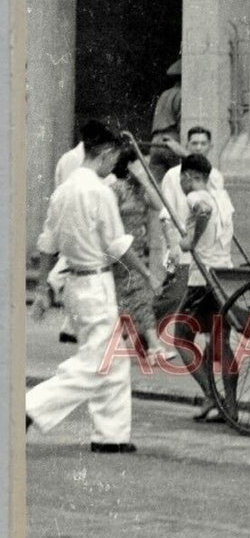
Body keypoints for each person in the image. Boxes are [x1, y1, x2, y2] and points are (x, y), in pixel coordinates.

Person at [26, 123, 164, 453]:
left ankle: (111, 434)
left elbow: (47, 243)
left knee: (113, 360)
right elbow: (118, 245)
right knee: (96, 362)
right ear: (104, 154)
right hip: (96, 282)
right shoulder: (99, 192)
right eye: (113, 157)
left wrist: (46, 287)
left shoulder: (62, 191)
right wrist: (147, 274)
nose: (113, 164)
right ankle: (29, 406)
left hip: (74, 282)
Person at [168, 153, 235, 421]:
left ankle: (211, 394)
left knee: (180, 338)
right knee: (221, 343)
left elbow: (202, 211)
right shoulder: (222, 197)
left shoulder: (196, 196)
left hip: (202, 280)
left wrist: (191, 240)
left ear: (188, 177)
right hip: (225, 277)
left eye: (181, 180)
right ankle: (231, 406)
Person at [47, 121, 111, 345]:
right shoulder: (86, 167)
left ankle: (70, 324)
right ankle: (53, 285)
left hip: (72, 218)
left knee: (73, 269)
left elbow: (59, 186)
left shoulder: (67, 159)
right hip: (86, 220)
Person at [108, 146, 168, 361]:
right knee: (137, 296)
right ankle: (152, 345)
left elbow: (158, 204)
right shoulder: (117, 189)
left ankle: (147, 344)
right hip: (120, 252)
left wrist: (144, 180)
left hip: (137, 250)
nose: (145, 168)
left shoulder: (142, 190)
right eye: (141, 164)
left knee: (137, 297)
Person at [158, 126, 225, 286]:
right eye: (194, 143)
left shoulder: (215, 176)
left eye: (203, 143)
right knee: (171, 299)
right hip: (178, 253)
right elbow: (165, 214)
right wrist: (172, 248)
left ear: (210, 146)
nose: (199, 148)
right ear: (187, 144)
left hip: (205, 257)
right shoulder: (172, 175)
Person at [148, 59, 184, 184]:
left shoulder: (164, 94)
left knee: (156, 184)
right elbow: (181, 121)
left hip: (155, 141)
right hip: (171, 140)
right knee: (175, 182)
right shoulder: (182, 94)